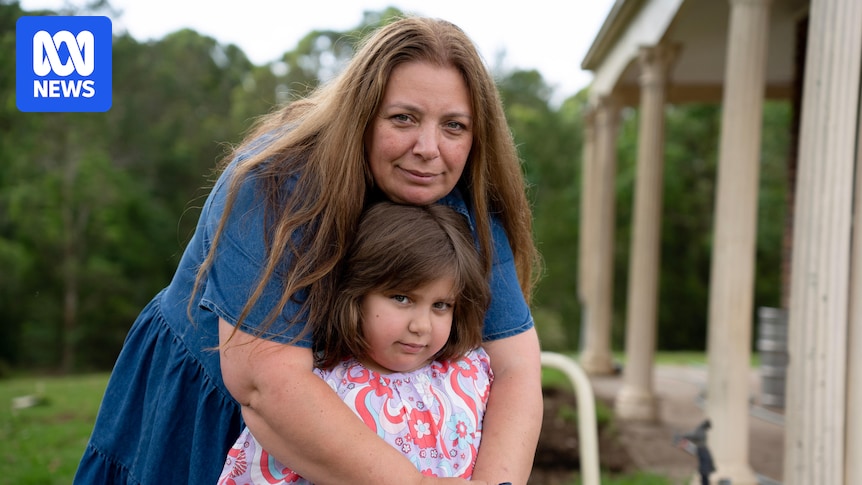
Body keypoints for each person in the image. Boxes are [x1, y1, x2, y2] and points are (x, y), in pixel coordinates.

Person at [74, 15, 542, 485]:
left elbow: (515, 365)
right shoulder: (274, 184)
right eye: (403, 118)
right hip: (216, 413)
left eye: (454, 126)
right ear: (362, 112)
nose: (428, 147)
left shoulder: (469, 202)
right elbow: (267, 384)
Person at [219, 201, 493, 484]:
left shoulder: (468, 374)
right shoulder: (320, 393)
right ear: (356, 294)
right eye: (401, 298)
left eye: (441, 305)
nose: (421, 326)